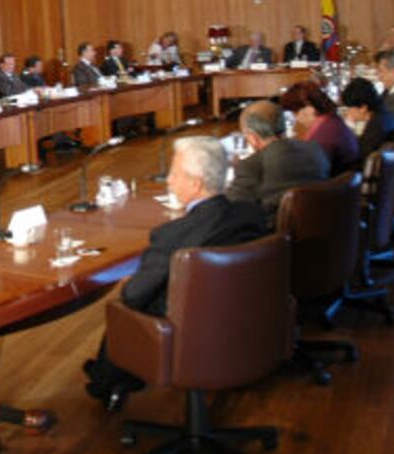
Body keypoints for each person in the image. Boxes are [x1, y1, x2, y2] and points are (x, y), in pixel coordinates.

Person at [83, 136, 267, 410]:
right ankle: (106, 374)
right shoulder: (250, 214)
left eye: (173, 173)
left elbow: (132, 296)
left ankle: (106, 380)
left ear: (195, 184)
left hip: (188, 331)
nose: (168, 181)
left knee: (127, 305)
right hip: (246, 317)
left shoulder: (171, 235)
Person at [227, 101, 330, 218]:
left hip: (274, 234)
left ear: (252, 137)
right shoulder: (315, 150)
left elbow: (232, 209)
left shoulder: (251, 166)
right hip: (323, 226)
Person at [278, 81, 359, 175]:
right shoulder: (332, 122)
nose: (297, 119)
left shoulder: (323, 134)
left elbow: (311, 172)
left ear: (309, 109)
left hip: (331, 186)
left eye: (295, 113)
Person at [341, 77, 390, 159]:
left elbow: (353, 154)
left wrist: (349, 125)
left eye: (349, 108)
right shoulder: (380, 114)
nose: (347, 112)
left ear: (363, 108)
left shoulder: (375, 127)